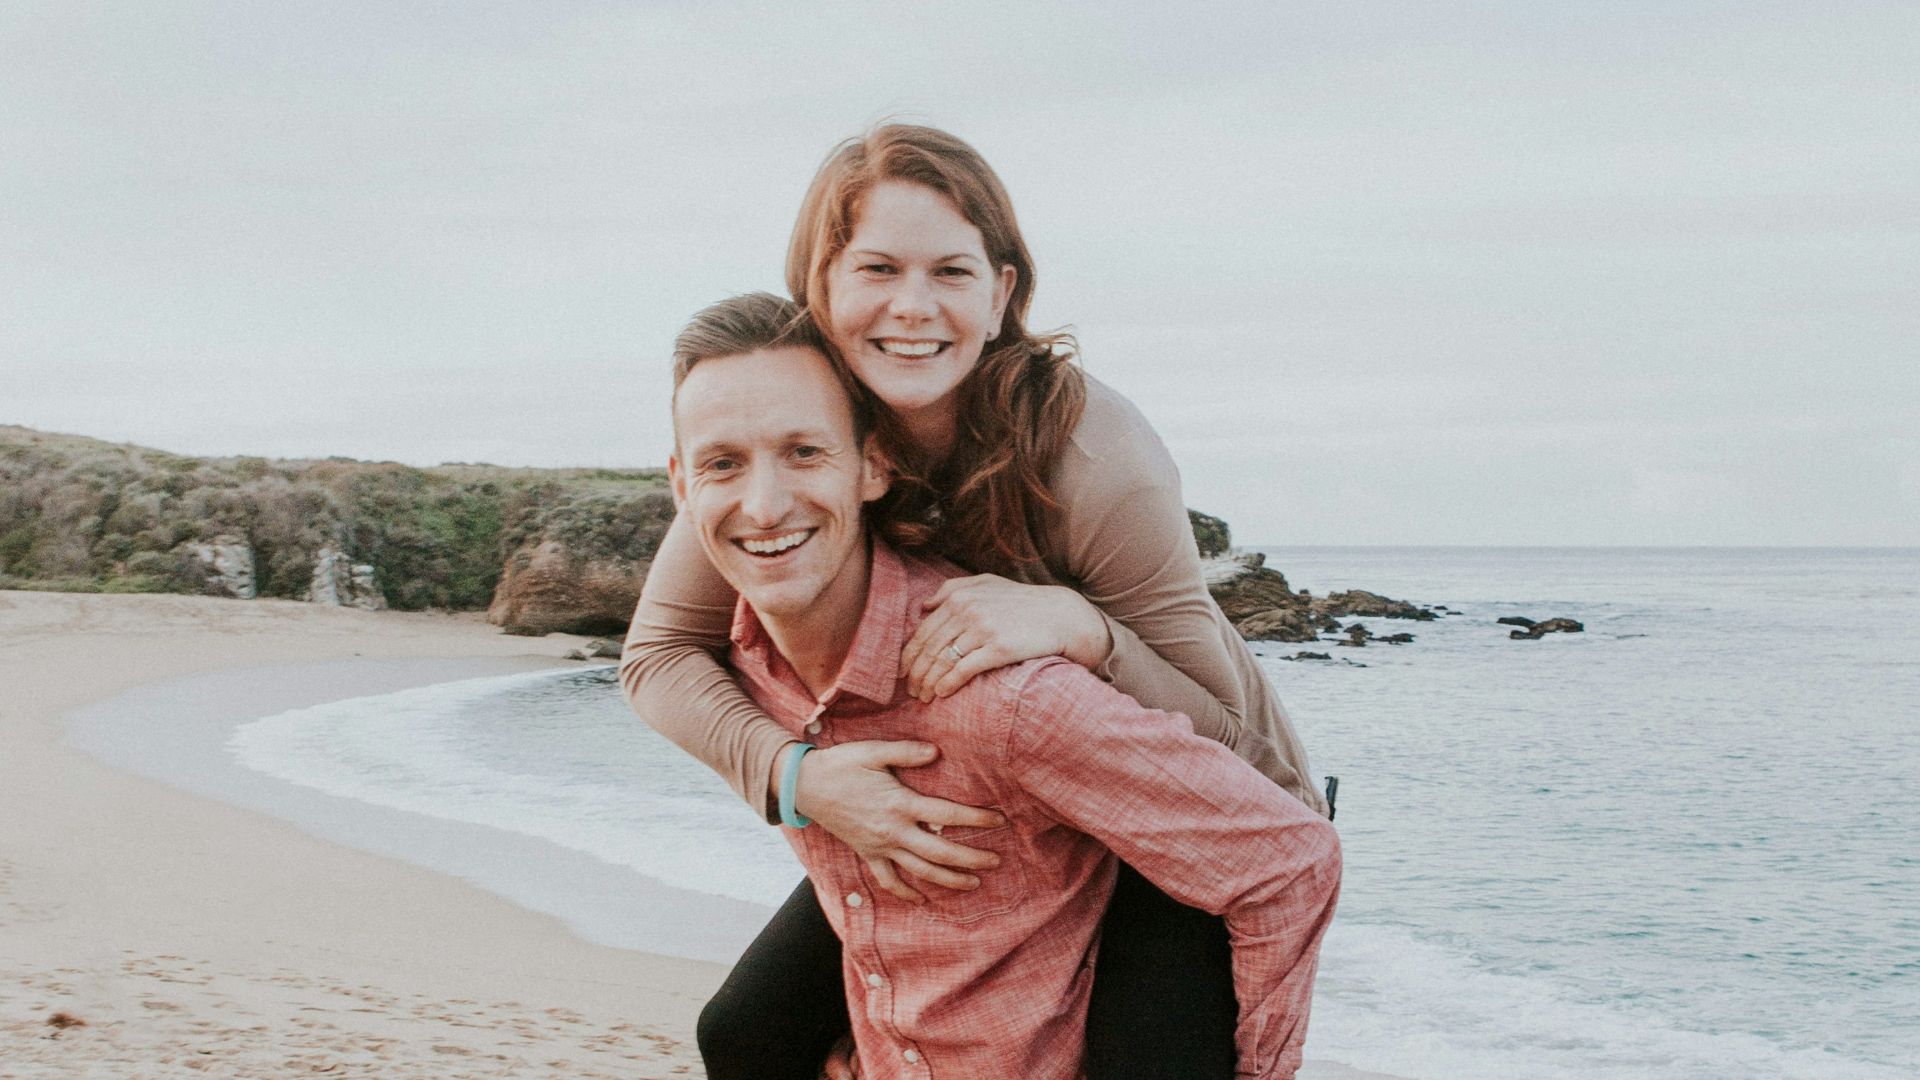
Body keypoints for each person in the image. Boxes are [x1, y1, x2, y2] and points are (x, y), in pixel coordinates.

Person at [622, 124, 1331, 1079]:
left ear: (1003, 294)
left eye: (950, 272)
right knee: (748, 1036)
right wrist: (801, 780)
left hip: (1184, 805)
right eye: (876, 267)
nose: (911, 308)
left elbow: (1224, 740)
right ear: (817, 285)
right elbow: (659, 657)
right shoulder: (790, 442)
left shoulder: (1093, 455)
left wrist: (1085, 630)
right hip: (1006, 786)